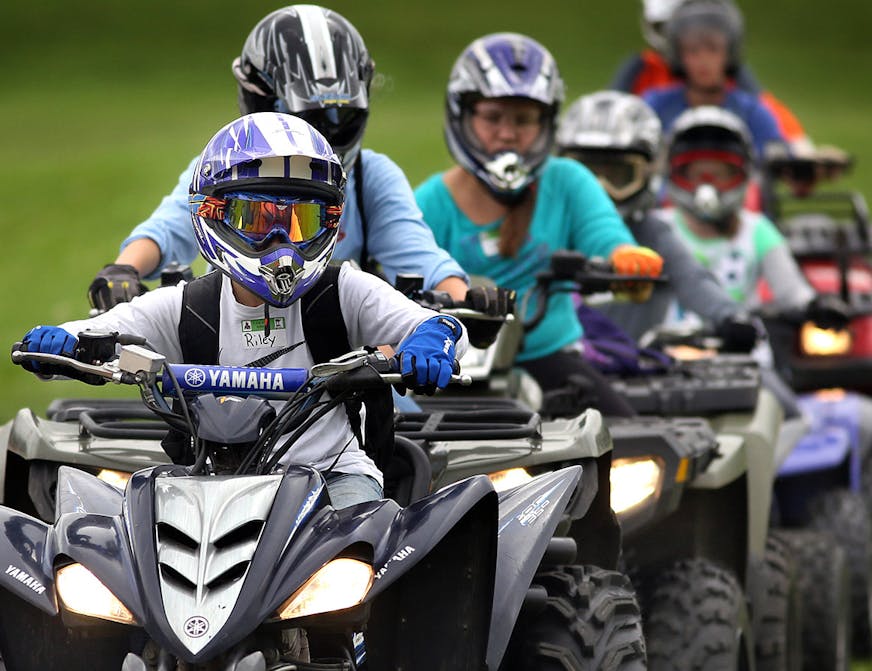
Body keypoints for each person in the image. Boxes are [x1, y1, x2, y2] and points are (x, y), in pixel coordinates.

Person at [20, 112, 468, 509]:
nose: (281, 241)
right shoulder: (186, 306)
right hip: (205, 485)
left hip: (333, 478)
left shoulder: (344, 289)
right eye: (257, 220)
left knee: (366, 548)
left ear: (331, 223)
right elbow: (99, 332)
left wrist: (433, 340)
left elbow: (441, 326)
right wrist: (62, 344)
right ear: (212, 216)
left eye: (301, 222)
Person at [87, 5, 510, 317]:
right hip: (231, 356)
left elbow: (417, 254)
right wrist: (124, 270)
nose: (323, 135)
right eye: (307, 118)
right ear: (260, 100)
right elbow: (169, 228)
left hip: (348, 363)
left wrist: (461, 296)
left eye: (340, 118)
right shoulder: (221, 166)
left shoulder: (370, 175)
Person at [415, 32, 664, 413]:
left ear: (547, 123)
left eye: (523, 119)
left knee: (628, 442)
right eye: (493, 117)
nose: (508, 133)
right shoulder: (431, 202)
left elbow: (604, 234)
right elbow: (403, 266)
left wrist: (625, 258)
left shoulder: (567, 180)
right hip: (451, 369)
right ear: (462, 117)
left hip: (549, 358)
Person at [555, 90, 761, 350]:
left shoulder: (650, 234)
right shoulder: (545, 225)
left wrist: (731, 317)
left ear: (649, 174)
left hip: (626, 369)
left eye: (618, 175)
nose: (598, 193)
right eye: (584, 175)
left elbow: (694, 280)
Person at [657, 106, 849, 336]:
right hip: (666, 355)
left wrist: (818, 306)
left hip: (744, 353)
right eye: (698, 175)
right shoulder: (658, 228)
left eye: (719, 175)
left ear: (743, 174)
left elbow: (792, 294)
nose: (708, 186)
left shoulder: (757, 230)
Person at [612, 0, 810, 152]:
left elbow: (774, 130)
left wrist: (801, 153)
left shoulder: (748, 107)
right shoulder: (654, 98)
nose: (703, 59)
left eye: (712, 47)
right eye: (693, 49)